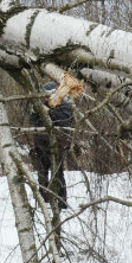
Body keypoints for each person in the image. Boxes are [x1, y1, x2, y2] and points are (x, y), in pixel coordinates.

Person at [30, 81, 75, 210]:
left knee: (57, 173)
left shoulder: (63, 105)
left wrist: (48, 113)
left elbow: (64, 121)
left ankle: (61, 202)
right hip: (40, 144)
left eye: (47, 95)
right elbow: (33, 119)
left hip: (57, 145)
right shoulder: (40, 105)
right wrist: (40, 111)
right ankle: (43, 202)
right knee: (42, 174)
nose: (45, 98)